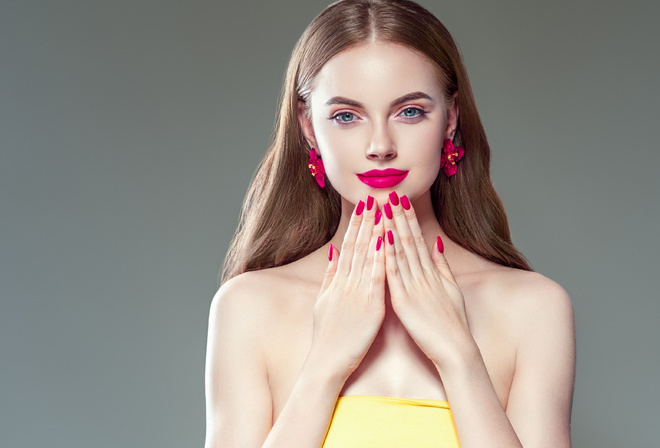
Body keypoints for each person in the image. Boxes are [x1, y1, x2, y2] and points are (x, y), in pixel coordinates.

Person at [204, 0, 576, 446]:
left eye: (410, 111)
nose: (380, 145)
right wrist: (324, 364)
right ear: (308, 126)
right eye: (347, 116)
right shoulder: (248, 308)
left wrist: (460, 356)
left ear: (451, 118)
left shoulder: (535, 309)